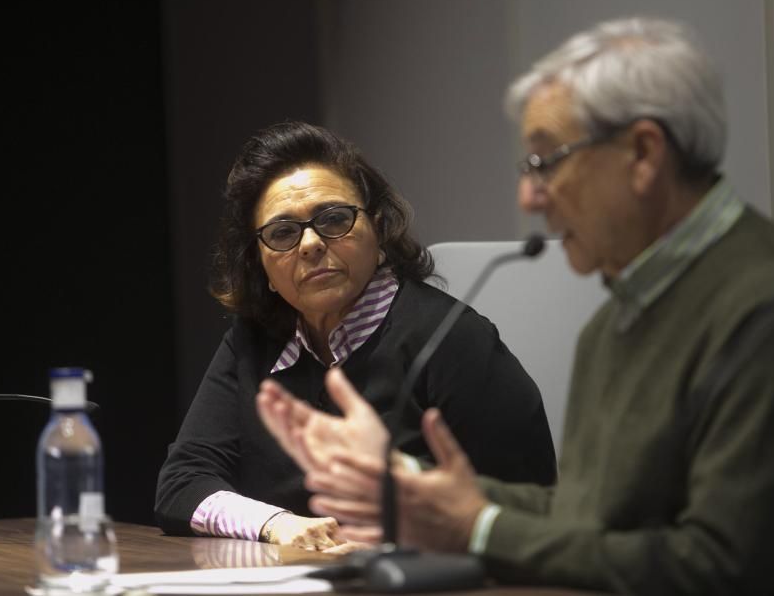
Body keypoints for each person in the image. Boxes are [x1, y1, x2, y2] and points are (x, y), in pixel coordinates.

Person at [256, 18, 774, 593]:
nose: (529, 195)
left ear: (644, 155)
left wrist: (478, 528)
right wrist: (404, 484)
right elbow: (588, 515)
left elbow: (716, 568)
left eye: (547, 162)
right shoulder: (616, 321)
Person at [155, 121, 557, 551]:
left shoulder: (452, 339)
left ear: (379, 230)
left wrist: (398, 540)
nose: (309, 244)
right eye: (283, 232)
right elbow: (181, 483)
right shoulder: (251, 342)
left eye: (333, 220)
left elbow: (528, 514)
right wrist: (277, 524)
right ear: (260, 265)